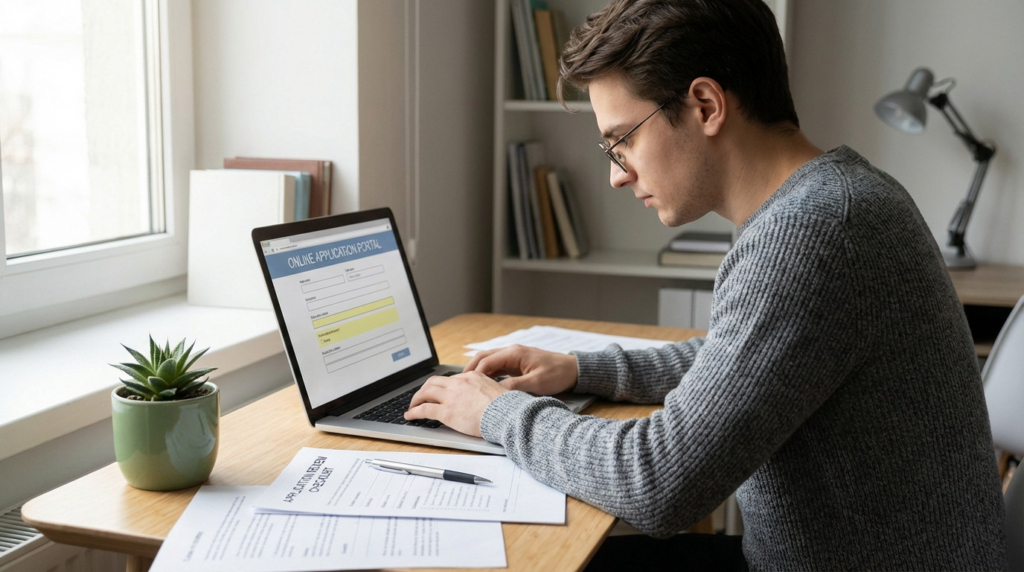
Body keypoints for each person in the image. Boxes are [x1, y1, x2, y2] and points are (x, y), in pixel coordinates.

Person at [405, 0, 1008, 569]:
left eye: (622, 140)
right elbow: (742, 357)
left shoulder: (814, 231)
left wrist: (498, 413)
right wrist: (581, 369)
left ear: (705, 105)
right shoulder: (837, 199)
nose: (617, 175)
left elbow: (659, 483)